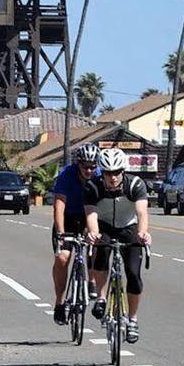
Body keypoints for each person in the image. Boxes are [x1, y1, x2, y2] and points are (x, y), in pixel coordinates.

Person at [83, 147, 150, 345]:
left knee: (134, 274)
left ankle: (133, 320)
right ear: (101, 173)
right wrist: (93, 232)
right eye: (107, 173)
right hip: (103, 225)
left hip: (128, 227)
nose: (112, 178)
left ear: (123, 171)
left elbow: (141, 213)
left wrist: (142, 233)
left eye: (116, 172)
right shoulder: (92, 187)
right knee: (101, 251)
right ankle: (101, 297)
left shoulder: (135, 184)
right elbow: (91, 213)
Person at [49, 142, 101, 324]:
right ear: (78, 164)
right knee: (63, 258)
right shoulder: (66, 175)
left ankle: (92, 280)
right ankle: (59, 303)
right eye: (85, 167)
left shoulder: (99, 176)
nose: (89, 171)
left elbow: (101, 205)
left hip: (89, 215)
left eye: (93, 167)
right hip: (69, 217)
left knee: (95, 244)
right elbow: (59, 206)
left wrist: (93, 229)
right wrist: (61, 234)